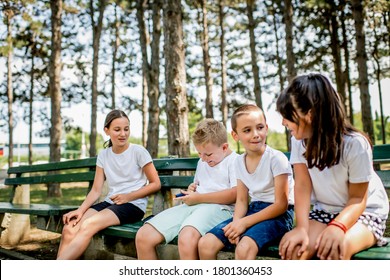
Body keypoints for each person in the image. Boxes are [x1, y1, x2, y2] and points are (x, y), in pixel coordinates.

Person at [277, 73, 389, 260]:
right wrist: (302, 228)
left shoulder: (355, 144)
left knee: (334, 251)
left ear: (310, 114)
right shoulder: (299, 141)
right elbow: (302, 185)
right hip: (326, 211)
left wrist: (338, 227)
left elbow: (357, 199)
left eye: (288, 116)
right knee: (295, 251)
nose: (283, 122)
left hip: (365, 212)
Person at [56, 109, 161, 260]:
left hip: (133, 205)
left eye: (126, 129)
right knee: (70, 228)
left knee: (88, 225)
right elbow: (96, 190)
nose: (123, 134)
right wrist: (80, 211)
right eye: (117, 130)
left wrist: (128, 196)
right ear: (107, 131)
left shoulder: (138, 152)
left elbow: (155, 183)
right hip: (110, 202)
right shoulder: (104, 155)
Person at [198, 104, 294, 260]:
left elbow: (281, 205)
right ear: (235, 136)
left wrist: (244, 223)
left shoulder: (276, 159)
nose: (256, 134)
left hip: (279, 215)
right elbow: (241, 200)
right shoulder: (239, 162)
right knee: (205, 244)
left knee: (244, 248)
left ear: (266, 128)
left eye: (260, 127)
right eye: (247, 130)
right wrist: (236, 224)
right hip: (252, 210)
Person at [135, 118, 238, 260]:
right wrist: (192, 190)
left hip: (222, 209)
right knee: (143, 236)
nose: (202, 159)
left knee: (186, 238)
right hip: (195, 206)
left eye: (207, 154)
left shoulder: (235, 161)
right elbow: (200, 185)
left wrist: (199, 198)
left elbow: (235, 194)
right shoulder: (203, 161)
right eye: (199, 154)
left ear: (224, 147)